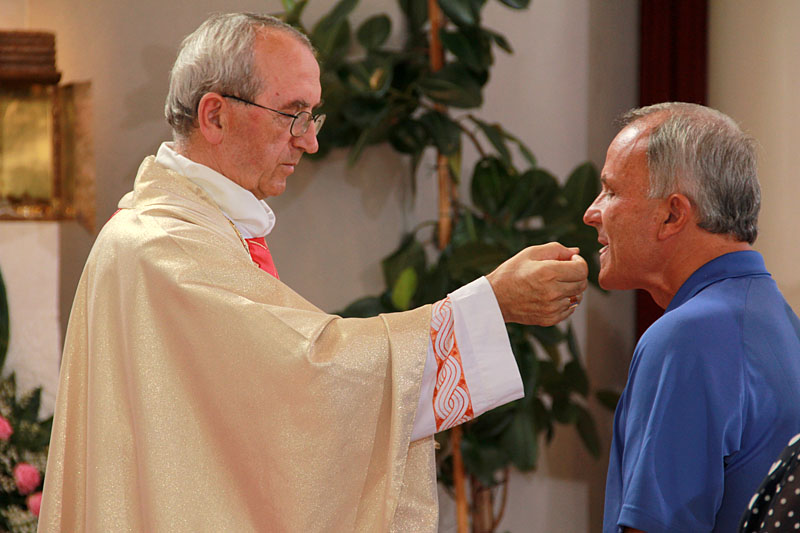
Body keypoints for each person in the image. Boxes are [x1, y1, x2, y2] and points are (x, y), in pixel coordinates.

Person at [38, 13, 588, 532]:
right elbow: (311, 377)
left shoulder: (189, 230)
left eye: (313, 115)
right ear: (215, 114)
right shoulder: (161, 247)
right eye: (293, 113)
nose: (311, 139)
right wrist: (491, 302)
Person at [584, 102, 800, 533]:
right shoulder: (781, 320)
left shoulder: (687, 337)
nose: (591, 213)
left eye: (609, 191)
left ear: (672, 215)